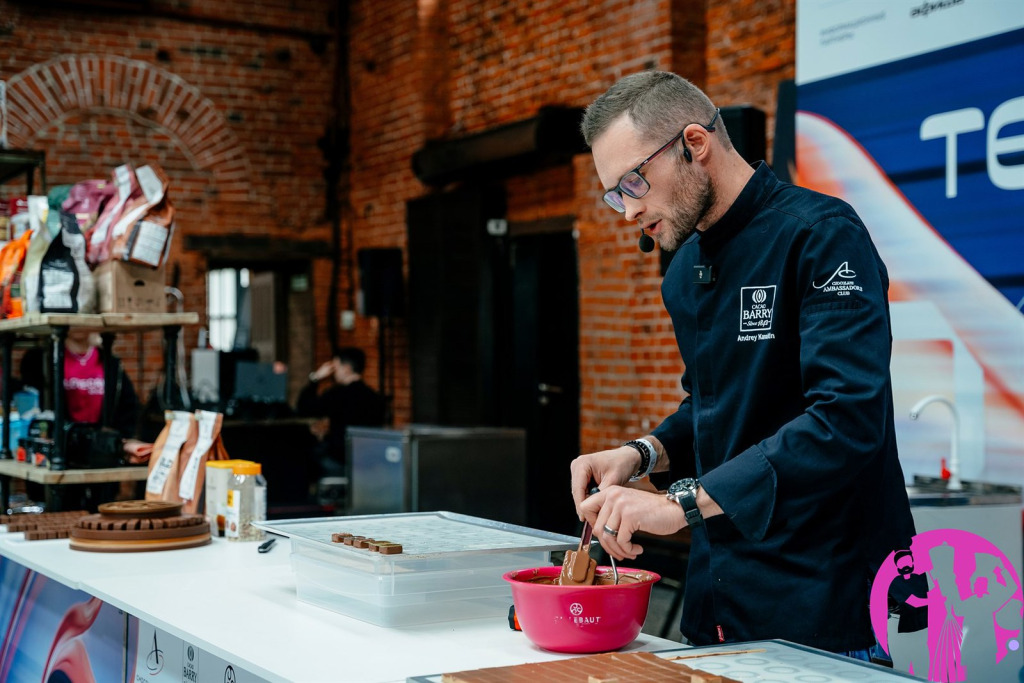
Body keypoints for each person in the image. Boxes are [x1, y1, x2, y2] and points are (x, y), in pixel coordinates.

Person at [570, 71, 918, 657]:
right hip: (721, 597)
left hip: (824, 598)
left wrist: (678, 505)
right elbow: (713, 408)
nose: (628, 213)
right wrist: (642, 452)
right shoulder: (684, 271)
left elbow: (846, 421)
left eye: (633, 182)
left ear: (694, 144)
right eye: (614, 195)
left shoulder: (821, 236)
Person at [297, 347, 386, 478]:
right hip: (369, 462)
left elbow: (304, 409)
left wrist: (315, 378)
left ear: (347, 368)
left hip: (339, 459)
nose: (334, 372)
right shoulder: (374, 397)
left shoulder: (337, 394)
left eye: (336, 367)